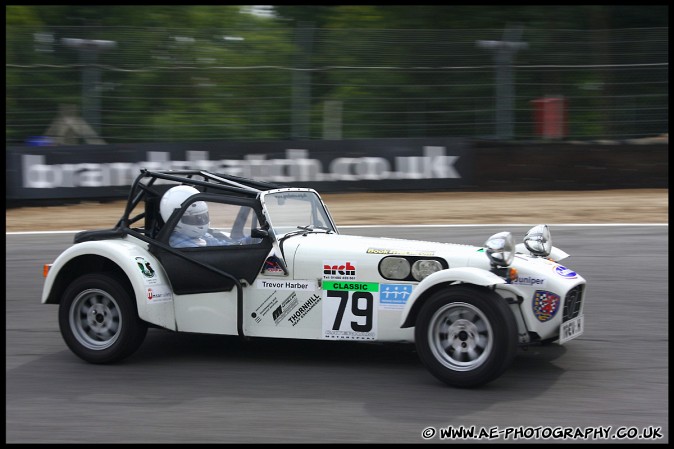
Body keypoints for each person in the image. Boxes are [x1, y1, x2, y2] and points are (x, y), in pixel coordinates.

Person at [159, 185, 234, 248]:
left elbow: (225, 246)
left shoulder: (202, 236)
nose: (201, 222)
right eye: (193, 219)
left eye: (203, 216)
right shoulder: (180, 244)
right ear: (175, 218)